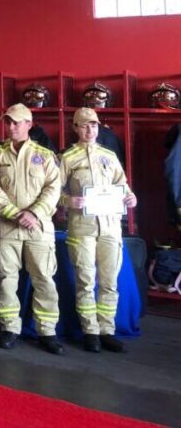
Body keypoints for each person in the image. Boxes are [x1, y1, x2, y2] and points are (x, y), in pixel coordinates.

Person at [0, 104, 63, 355]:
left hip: (38, 228)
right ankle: (9, 327)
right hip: (7, 227)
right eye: (8, 122)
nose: (11, 126)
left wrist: (34, 213)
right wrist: (16, 214)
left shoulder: (45, 155)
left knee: (44, 279)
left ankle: (46, 330)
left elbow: (53, 189)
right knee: (6, 279)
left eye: (17, 122)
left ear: (29, 124)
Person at [60, 107, 137, 353]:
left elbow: (122, 185)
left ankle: (107, 330)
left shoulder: (109, 156)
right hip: (82, 228)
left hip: (111, 228)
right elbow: (53, 192)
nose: (90, 129)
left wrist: (130, 197)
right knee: (85, 281)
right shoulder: (68, 158)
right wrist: (68, 202)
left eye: (93, 125)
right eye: (84, 125)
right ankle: (90, 331)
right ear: (75, 128)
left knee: (109, 282)